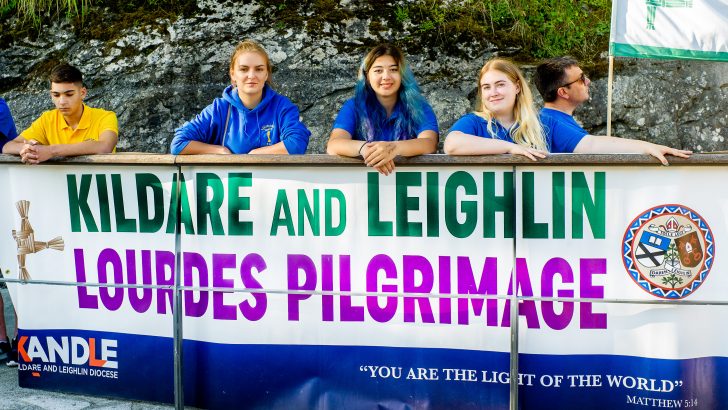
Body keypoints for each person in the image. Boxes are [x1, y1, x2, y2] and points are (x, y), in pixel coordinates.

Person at [533, 56, 691, 165]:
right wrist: (647, 147)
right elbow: (591, 146)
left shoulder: (556, 119)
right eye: (581, 79)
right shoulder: (550, 122)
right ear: (563, 92)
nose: (588, 81)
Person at [171, 39, 310, 155]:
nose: (251, 75)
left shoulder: (282, 106)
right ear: (233, 74)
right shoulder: (219, 109)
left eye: (259, 69)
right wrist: (220, 150)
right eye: (244, 69)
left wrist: (254, 155)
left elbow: (297, 143)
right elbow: (178, 144)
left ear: (266, 74)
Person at [327, 43, 438, 175]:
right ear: (367, 76)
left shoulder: (419, 106)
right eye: (378, 70)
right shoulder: (353, 106)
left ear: (402, 74)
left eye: (393, 70)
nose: (386, 77)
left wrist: (393, 149)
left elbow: (429, 143)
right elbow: (334, 145)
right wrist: (366, 149)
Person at [2, 64, 118, 164]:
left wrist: (51, 151)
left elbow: (105, 146)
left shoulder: (105, 116)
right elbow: (8, 146)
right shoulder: (48, 119)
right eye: (56, 95)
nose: (62, 102)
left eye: (69, 94)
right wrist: (29, 149)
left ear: (82, 93)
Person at [443, 58, 549, 161]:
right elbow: (451, 145)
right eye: (486, 87)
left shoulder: (544, 123)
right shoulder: (474, 122)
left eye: (500, 85)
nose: (493, 93)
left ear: (517, 87)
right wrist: (510, 147)